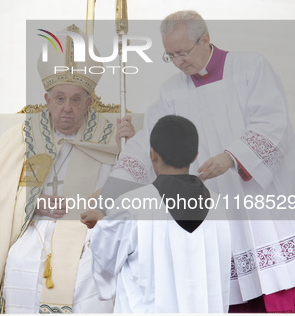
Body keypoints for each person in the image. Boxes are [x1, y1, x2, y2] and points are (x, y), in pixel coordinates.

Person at [113, 10, 295, 312]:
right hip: (221, 208)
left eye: (182, 52)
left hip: (264, 206)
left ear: (206, 40)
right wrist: (117, 185)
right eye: (170, 56)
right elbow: (152, 138)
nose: (178, 62)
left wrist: (232, 157)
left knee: (280, 289)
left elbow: (272, 123)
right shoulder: (172, 91)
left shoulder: (250, 67)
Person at [0, 24, 135, 314]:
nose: (66, 108)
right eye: (59, 99)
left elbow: (130, 191)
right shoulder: (24, 136)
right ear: (47, 100)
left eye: (75, 99)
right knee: (20, 261)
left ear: (88, 103)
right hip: (35, 228)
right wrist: (33, 204)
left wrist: (132, 150)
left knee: (93, 271)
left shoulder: (113, 137)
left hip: (91, 231)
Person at [91, 114, 232, 313]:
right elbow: (221, 269)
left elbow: (105, 261)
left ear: (152, 154)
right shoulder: (218, 205)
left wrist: (103, 223)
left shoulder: (131, 204)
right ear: (194, 155)